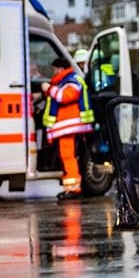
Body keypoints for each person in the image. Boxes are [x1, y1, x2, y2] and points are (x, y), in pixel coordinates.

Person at [42, 61, 94, 199]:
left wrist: (48, 89)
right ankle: (70, 188)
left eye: (54, 69)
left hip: (68, 127)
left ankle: (73, 189)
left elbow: (64, 96)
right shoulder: (67, 80)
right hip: (67, 127)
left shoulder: (72, 80)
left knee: (68, 157)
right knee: (68, 157)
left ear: (60, 69)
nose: (54, 72)